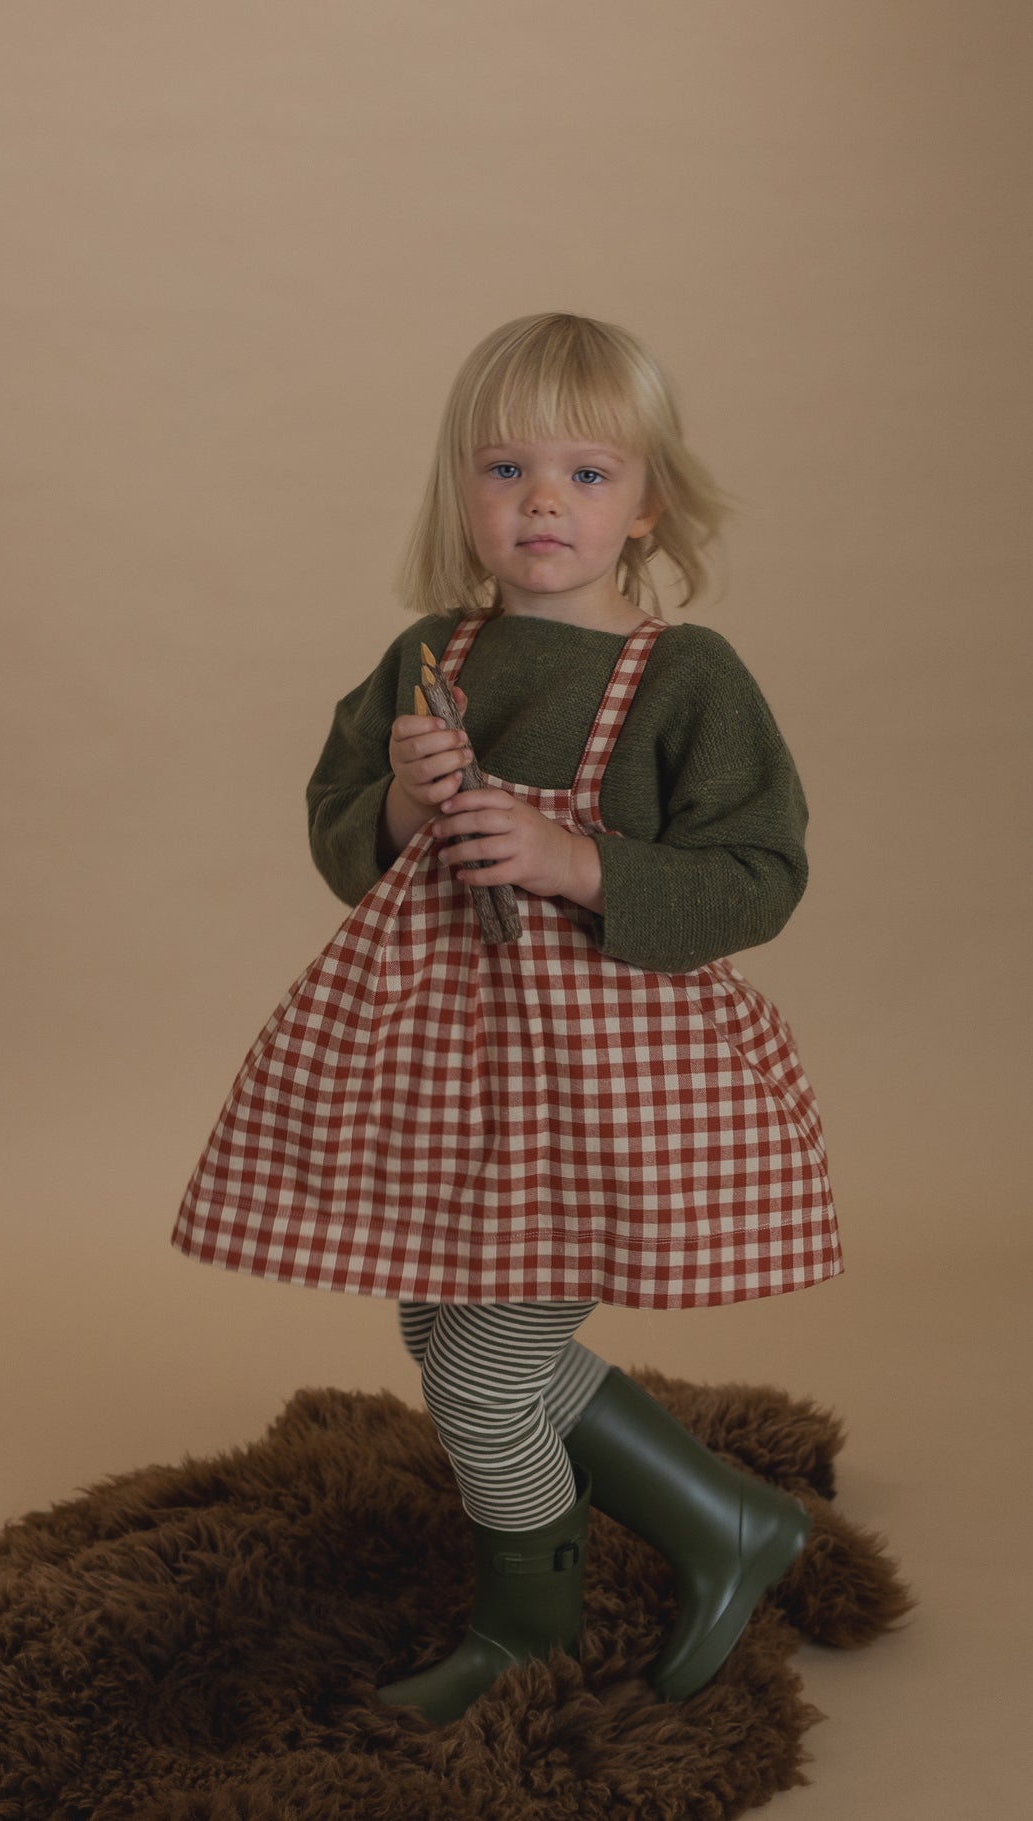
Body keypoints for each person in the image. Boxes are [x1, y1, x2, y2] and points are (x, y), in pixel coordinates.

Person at [171, 311, 842, 1724]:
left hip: (602, 1084)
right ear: (460, 492)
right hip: (456, 1065)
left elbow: (759, 871)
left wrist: (579, 863)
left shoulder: (686, 677)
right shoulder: (432, 655)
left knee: (483, 1370)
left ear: (645, 503)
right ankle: (729, 1521)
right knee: (441, 1323)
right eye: (506, 469)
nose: (545, 502)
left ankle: (526, 1631)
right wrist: (401, 800)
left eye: (588, 474)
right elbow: (338, 829)